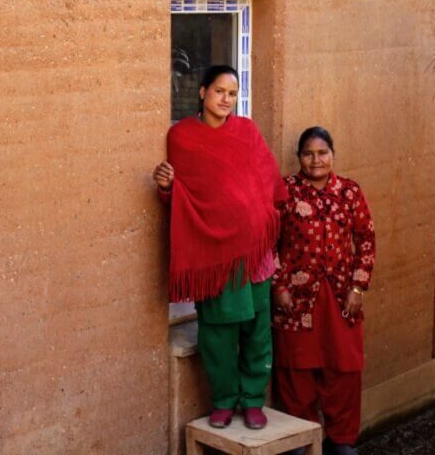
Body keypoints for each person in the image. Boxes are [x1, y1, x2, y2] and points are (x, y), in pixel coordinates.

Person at [153, 65, 286, 430]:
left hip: (255, 256)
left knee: (257, 332)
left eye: (232, 93)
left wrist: (260, 223)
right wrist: (167, 187)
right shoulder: (181, 137)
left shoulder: (247, 131)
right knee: (218, 334)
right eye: (219, 91)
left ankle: (253, 400)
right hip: (214, 257)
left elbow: (269, 183)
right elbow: (184, 197)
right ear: (202, 92)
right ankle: (225, 401)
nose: (226, 99)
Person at [271, 127, 375, 455]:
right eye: (308, 154)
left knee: (342, 369)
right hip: (296, 303)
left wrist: (358, 286)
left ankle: (341, 442)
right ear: (299, 157)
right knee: (296, 371)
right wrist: (279, 286)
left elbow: (367, 239)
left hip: (341, 300)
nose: (315, 160)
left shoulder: (350, 192)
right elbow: (267, 242)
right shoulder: (284, 191)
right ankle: (300, 442)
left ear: (333, 154)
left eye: (322, 153)